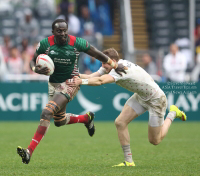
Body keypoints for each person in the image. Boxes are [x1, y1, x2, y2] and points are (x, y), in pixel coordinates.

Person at [16, 19, 125, 164]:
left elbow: (96, 53)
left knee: (46, 113)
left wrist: (114, 64)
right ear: (53, 32)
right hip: (53, 83)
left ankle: (29, 151)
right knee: (59, 121)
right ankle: (86, 119)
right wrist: (36, 69)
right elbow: (32, 61)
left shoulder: (76, 42)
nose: (63, 34)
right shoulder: (45, 44)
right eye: (59, 31)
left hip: (70, 82)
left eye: (65, 30)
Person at [67, 48, 187, 167]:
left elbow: (99, 81)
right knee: (120, 122)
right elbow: (93, 76)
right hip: (141, 96)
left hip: (156, 100)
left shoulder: (121, 70)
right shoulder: (112, 65)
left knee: (155, 140)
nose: (102, 66)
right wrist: (76, 76)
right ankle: (129, 161)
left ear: (112, 60)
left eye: (104, 62)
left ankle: (172, 113)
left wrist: (80, 82)